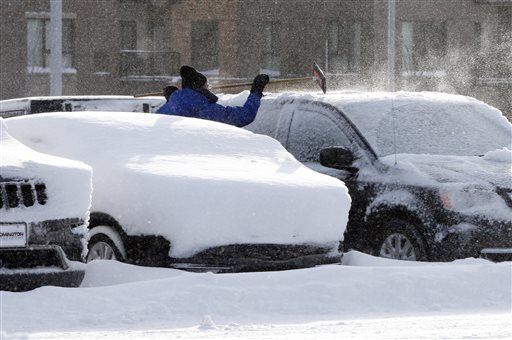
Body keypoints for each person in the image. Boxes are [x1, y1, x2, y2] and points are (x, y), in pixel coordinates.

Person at [156, 65, 269, 127]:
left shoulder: (167, 108)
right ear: (201, 88)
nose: (209, 89)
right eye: (207, 86)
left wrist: (172, 99)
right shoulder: (205, 110)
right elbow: (244, 116)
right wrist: (256, 91)